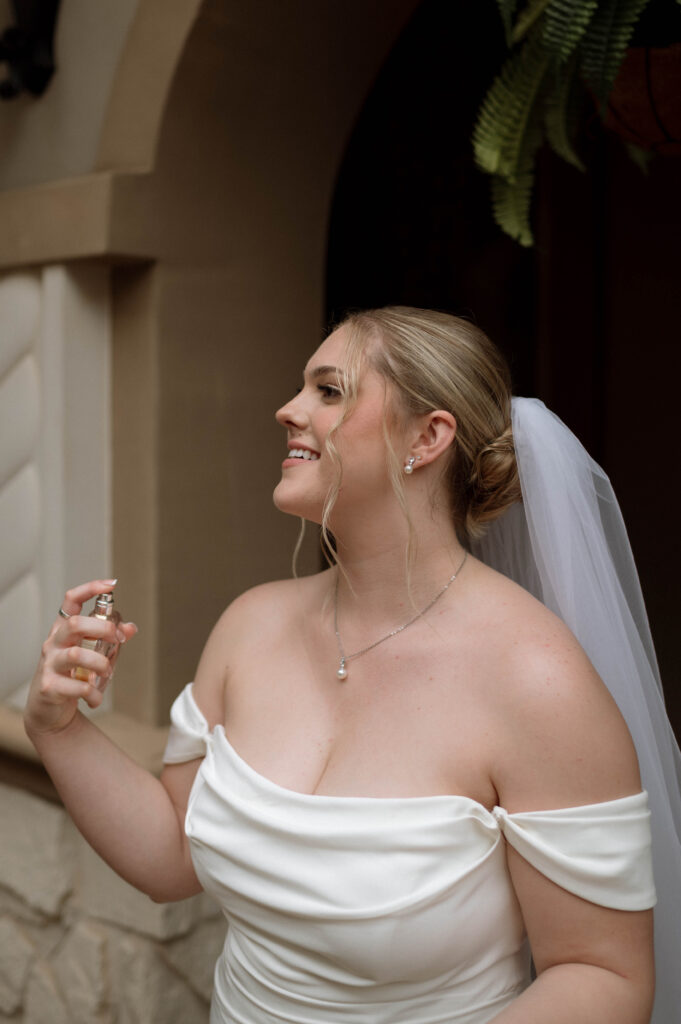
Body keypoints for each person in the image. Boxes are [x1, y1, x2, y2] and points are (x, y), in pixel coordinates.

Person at [25, 307, 679, 1024]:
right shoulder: (252, 625)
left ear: (427, 437)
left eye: (328, 391)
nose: (287, 409)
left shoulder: (535, 679)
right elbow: (172, 857)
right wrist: (58, 728)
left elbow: (602, 974)